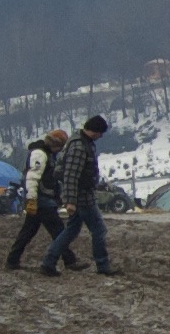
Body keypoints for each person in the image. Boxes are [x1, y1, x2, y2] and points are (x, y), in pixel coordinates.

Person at [41, 116, 115, 277]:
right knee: (99, 230)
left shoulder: (82, 142)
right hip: (82, 197)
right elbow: (71, 176)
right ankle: (102, 264)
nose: (101, 136)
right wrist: (70, 201)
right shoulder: (79, 147)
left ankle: (49, 261)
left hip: (81, 195)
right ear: (94, 131)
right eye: (100, 132)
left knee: (71, 230)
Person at [8, 129, 68, 269]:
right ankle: (69, 260)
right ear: (55, 144)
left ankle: (12, 260)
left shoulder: (46, 154)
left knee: (28, 231)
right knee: (58, 230)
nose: (60, 150)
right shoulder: (40, 154)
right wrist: (32, 199)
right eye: (60, 146)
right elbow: (32, 177)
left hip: (41, 198)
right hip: (42, 199)